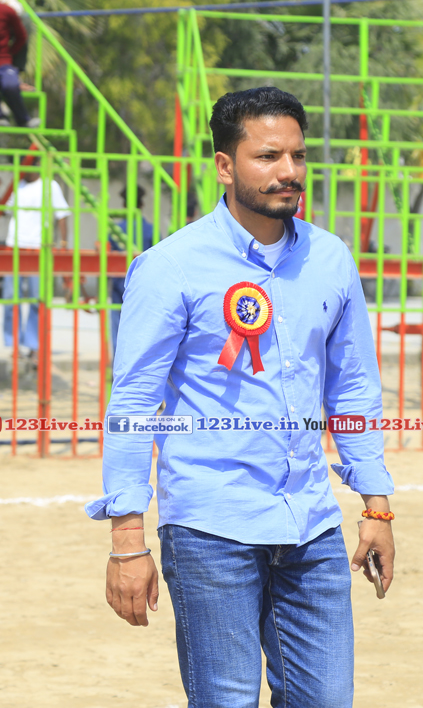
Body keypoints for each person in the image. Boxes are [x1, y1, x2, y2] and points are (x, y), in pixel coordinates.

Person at [84, 86, 395, 707]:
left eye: (298, 156)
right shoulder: (170, 266)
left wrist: (377, 506)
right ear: (225, 166)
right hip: (210, 530)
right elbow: (134, 406)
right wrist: (127, 542)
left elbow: (353, 388)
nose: (289, 172)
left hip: (311, 528)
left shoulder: (331, 259)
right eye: (268, 156)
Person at [2, 163, 69, 356]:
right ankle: (13, 345)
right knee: (10, 298)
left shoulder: (50, 185)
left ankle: (33, 346)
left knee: (37, 300)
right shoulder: (17, 184)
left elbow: (62, 215)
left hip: (39, 248)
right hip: (14, 246)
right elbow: (3, 210)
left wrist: (63, 243)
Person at [107, 185, 155, 352]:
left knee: (118, 330)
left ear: (124, 205)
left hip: (118, 287)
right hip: (143, 288)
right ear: (142, 204)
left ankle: (117, 365)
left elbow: (106, 257)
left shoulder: (115, 230)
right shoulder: (150, 230)